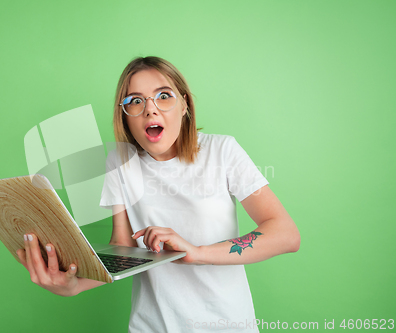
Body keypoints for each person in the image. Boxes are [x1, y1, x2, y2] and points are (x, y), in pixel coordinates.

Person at [16, 56, 300, 332]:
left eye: (163, 96)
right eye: (135, 101)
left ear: (185, 103)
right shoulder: (119, 162)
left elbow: (285, 234)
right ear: (125, 116)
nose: (150, 109)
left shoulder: (222, 151)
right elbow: (124, 246)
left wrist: (198, 253)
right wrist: (74, 284)